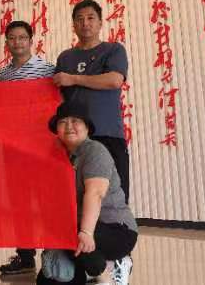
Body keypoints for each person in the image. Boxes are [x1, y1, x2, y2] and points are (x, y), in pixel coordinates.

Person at [38, 102, 136, 285]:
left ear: (87, 127)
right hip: (76, 231)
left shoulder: (95, 151)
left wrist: (86, 232)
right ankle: (90, 268)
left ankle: (107, 273)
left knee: (69, 234)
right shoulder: (57, 155)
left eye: (75, 121)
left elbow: (95, 193)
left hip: (115, 229)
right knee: (48, 280)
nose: (69, 126)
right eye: (63, 122)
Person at [53, 0, 130, 203]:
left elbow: (114, 80)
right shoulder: (65, 58)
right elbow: (56, 95)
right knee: (75, 196)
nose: (85, 23)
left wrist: (74, 79)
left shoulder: (113, 50)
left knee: (113, 196)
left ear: (100, 22)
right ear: (73, 25)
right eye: (79, 19)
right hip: (74, 138)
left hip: (107, 133)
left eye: (90, 18)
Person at [0, 20, 56, 276]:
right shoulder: (3, 74)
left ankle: (53, 254)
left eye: (22, 37)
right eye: (12, 38)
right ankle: (25, 255)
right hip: (14, 147)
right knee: (19, 202)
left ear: (31, 41)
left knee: (45, 201)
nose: (17, 42)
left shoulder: (48, 69)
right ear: (7, 42)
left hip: (43, 145)